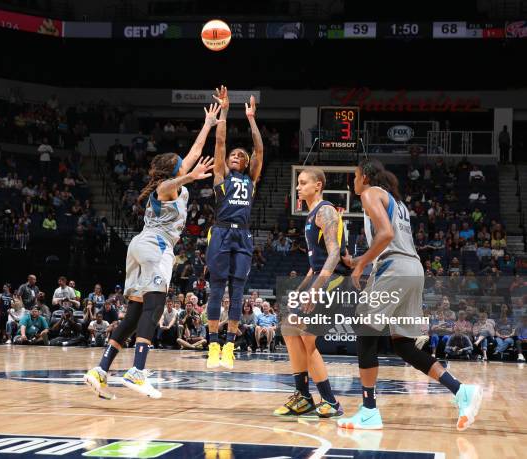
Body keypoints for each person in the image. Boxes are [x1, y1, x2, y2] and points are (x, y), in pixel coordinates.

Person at [84, 103, 222, 400]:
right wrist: (190, 178)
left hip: (139, 247)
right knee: (155, 306)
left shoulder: (173, 182)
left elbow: (195, 154)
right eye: (182, 165)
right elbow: (172, 183)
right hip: (155, 247)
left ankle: (100, 370)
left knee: (133, 314)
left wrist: (208, 124)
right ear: (175, 171)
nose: (187, 164)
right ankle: (136, 371)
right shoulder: (167, 187)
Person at [339, 159, 483, 431]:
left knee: (365, 330)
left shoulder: (370, 194)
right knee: (403, 344)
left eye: (355, 176)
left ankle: (369, 411)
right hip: (412, 268)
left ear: (366, 177)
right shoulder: (397, 203)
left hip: (394, 267)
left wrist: (360, 265)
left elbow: (385, 234)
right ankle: (461, 391)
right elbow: (389, 242)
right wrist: (359, 259)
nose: (353, 182)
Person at [273, 168, 346, 419]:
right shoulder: (311, 214)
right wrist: (301, 288)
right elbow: (316, 262)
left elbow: (334, 254)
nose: (298, 187)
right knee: (288, 328)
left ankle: (330, 401)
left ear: (318, 185)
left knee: (305, 335)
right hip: (318, 278)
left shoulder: (326, 211)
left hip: (333, 281)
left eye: (303, 183)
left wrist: (315, 290)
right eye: (298, 183)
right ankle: (303, 396)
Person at [206, 86, 264, 370]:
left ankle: (229, 345)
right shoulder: (220, 176)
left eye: (242, 155)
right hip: (220, 232)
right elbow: (219, 142)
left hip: (243, 234)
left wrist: (252, 119)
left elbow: (260, 150)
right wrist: (225, 112)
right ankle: (213, 345)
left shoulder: (251, 180)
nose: (237, 155)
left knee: (237, 291)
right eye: (234, 154)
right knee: (217, 289)